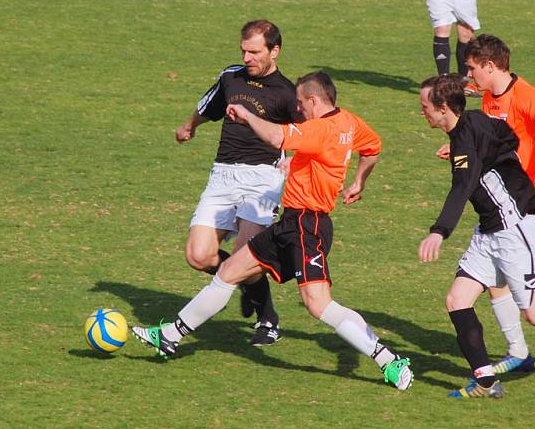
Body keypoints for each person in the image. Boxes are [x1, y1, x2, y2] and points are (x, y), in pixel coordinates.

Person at [133, 72, 413, 391]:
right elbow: (373, 148)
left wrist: (246, 113)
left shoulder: (319, 129)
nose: (297, 108)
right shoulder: (349, 122)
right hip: (289, 223)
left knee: (318, 304)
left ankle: (388, 360)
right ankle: (170, 335)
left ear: (313, 100)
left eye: (299, 103)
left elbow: (276, 137)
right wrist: (358, 181)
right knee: (229, 270)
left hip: (309, 227)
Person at [417, 74, 535, 398]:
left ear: (443, 107)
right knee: (457, 300)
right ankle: (486, 381)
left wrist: (439, 232)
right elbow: (504, 136)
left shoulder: (464, 140)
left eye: (425, 106)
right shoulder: (473, 121)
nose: (422, 111)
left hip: (514, 229)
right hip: (489, 230)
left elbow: (462, 187)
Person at [174, 20, 298, 346]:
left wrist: (294, 160)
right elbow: (208, 106)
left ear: (275, 51)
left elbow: (309, 135)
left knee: (250, 258)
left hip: (263, 178)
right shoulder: (231, 76)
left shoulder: (287, 93)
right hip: (223, 173)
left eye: (255, 52)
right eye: (244, 50)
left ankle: (267, 317)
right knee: (198, 256)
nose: (247, 57)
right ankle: (245, 283)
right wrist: (190, 126)